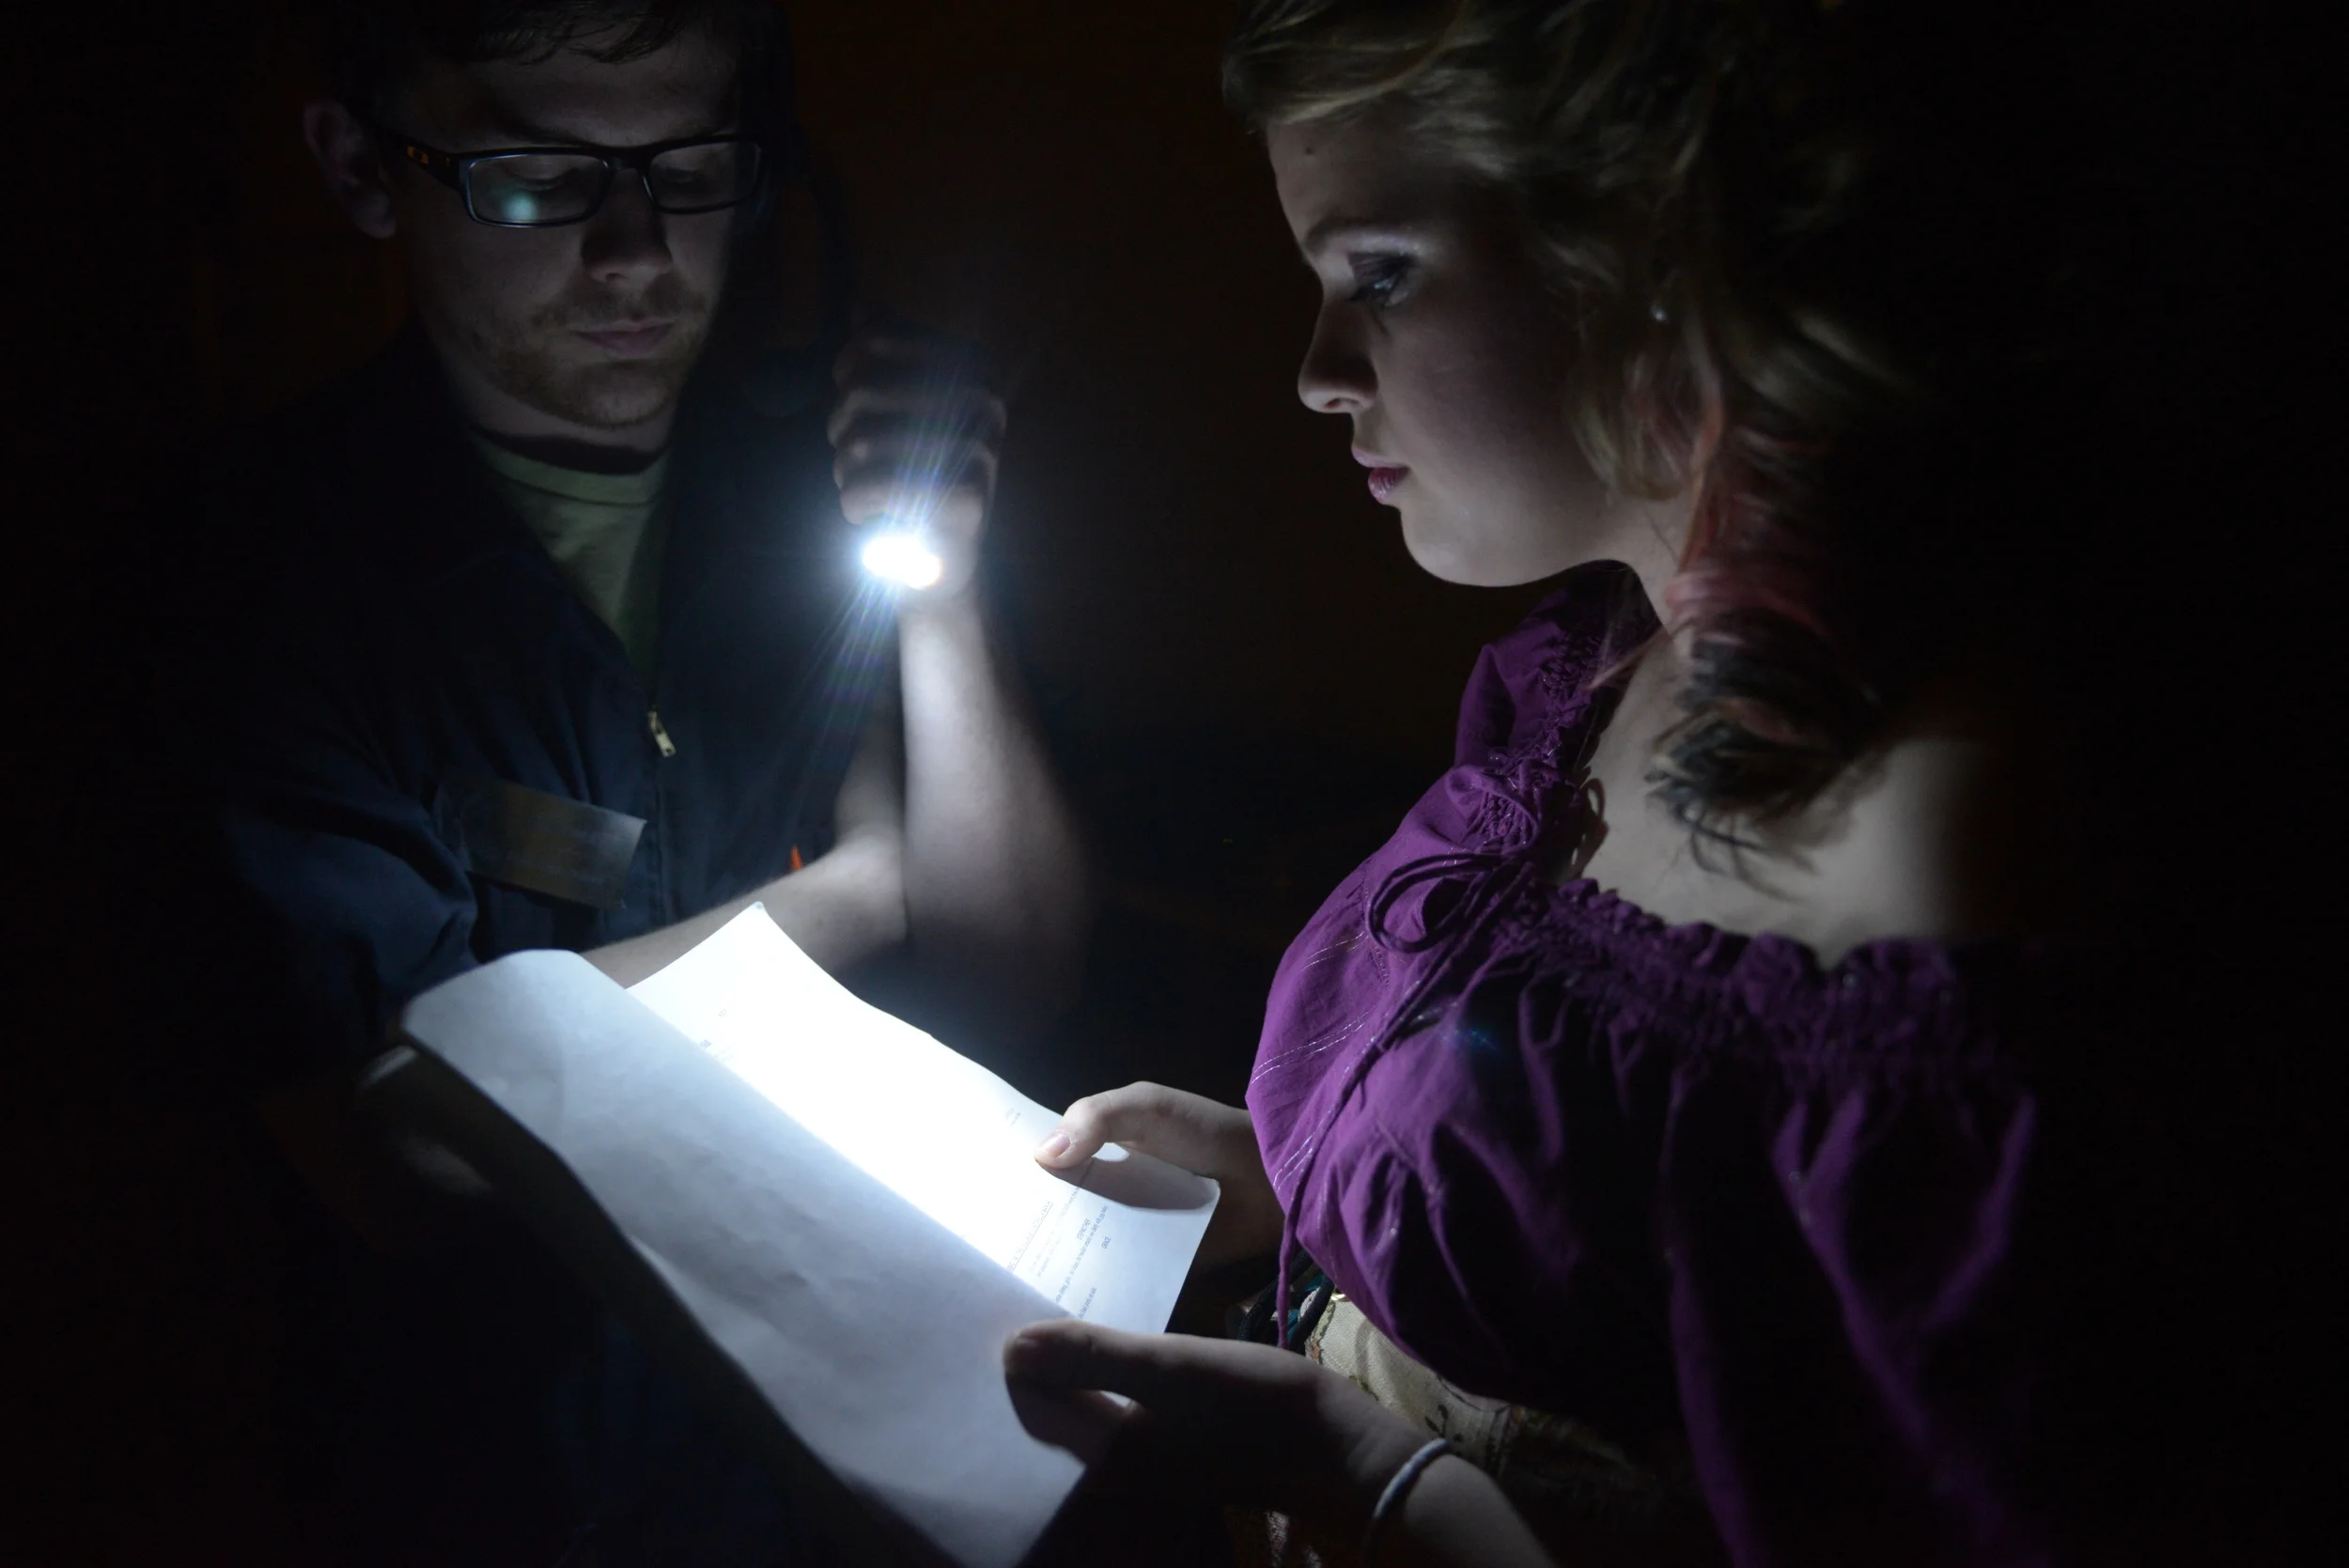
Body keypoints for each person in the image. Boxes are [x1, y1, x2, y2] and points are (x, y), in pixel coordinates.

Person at [1003, 2, 2302, 1564]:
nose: (1318, 372)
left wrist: (1393, 1493)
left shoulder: (1946, 879)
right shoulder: (1607, 658)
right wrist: (1302, 1194)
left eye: (1385, 276)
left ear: (1662, 257)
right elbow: (1606, 1265)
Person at [170, 0, 1086, 1559]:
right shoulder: (262, 571)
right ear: (359, 166)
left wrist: (944, 587)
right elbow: (397, 1149)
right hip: (492, 1480)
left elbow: (1016, 972)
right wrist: (858, 892)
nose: (633, 252)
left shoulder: (801, 501)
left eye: (692, 167)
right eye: (534, 175)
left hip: (850, 1459)